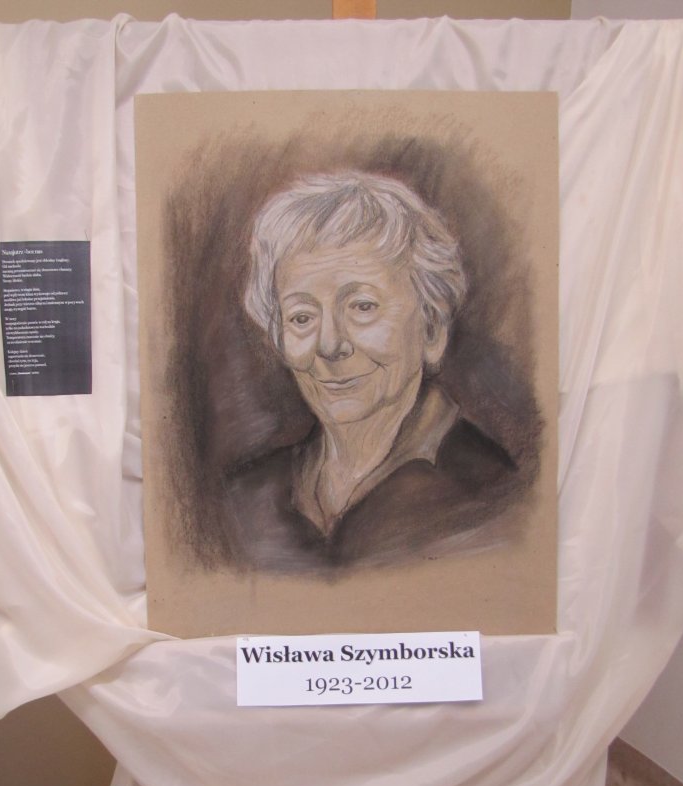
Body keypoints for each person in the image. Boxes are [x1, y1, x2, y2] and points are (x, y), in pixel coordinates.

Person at [223, 171, 531, 573]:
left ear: (431, 328)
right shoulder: (245, 501)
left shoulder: (495, 494)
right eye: (301, 317)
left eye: (362, 307)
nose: (329, 345)